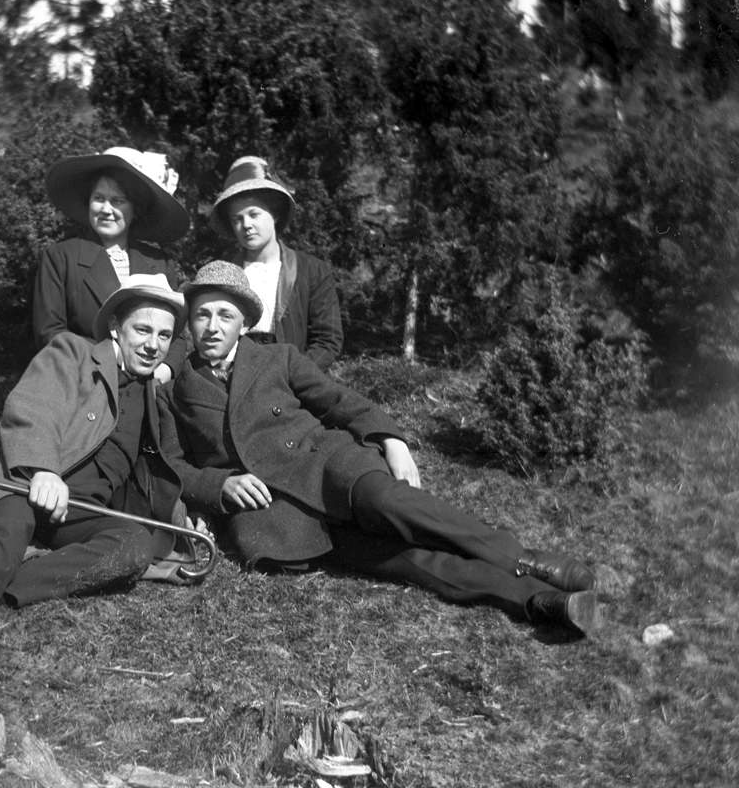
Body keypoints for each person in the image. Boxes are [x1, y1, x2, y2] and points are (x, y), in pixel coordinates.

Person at [157, 261, 603, 637]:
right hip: (276, 510)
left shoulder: (279, 358)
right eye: (202, 315)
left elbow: (339, 401)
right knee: (406, 562)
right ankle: (536, 601)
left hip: (330, 466)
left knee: (397, 504)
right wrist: (220, 484)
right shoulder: (174, 389)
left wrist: (391, 439)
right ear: (189, 322)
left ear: (244, 322)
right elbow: (176, 465)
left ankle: (525, 559)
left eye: (225, 315)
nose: (213, 327)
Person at [0, 274, 189, 702]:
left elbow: (168, 466)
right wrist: (44, 470)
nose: (152, 344)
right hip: (23, 483)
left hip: (80, 512)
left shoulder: (152, 396)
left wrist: (184, 515)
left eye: (163, 335)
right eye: (142, 330)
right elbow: (34, 407)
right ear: (115, 328)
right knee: (11, 519)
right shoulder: (73, 351)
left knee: (133, 545)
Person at [33, 146, 191, 381]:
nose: (107, 209)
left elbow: (176, 334)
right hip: (86, 380)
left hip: (148, 387)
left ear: (134, 208)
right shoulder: (60, 257)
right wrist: (114, 359)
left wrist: (165, 369)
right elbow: (50, 333)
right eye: (99, 199)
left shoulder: (159, 262)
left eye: (118, 201)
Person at [208, 156, 342, 370]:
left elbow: (328, 340)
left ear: (275, 215)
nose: (247, 225)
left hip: (293, 377)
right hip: (234, 374)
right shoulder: (224, 272)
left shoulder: (312, 270)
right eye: (237, 219)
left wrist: (297, 375)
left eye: (254, 214)